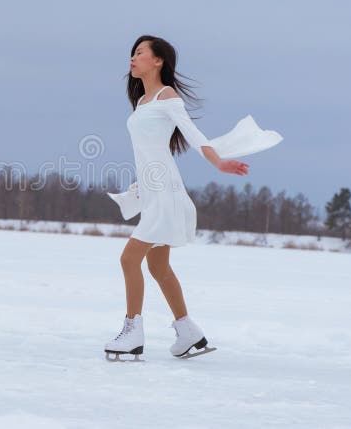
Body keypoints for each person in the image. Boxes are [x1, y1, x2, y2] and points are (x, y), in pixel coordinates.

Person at [104, 35, 282, 362]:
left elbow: (192, 134)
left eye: (140, 53)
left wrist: (218, 162)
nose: (133, 58)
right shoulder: (143, 103)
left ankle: (132, 332)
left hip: (165, 193)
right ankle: (188, 332)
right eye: (132, 53)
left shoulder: (167, 96)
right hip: (155, 190)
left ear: (158, 61)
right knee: (158, 267)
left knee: (129, 259)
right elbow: (150, 152)